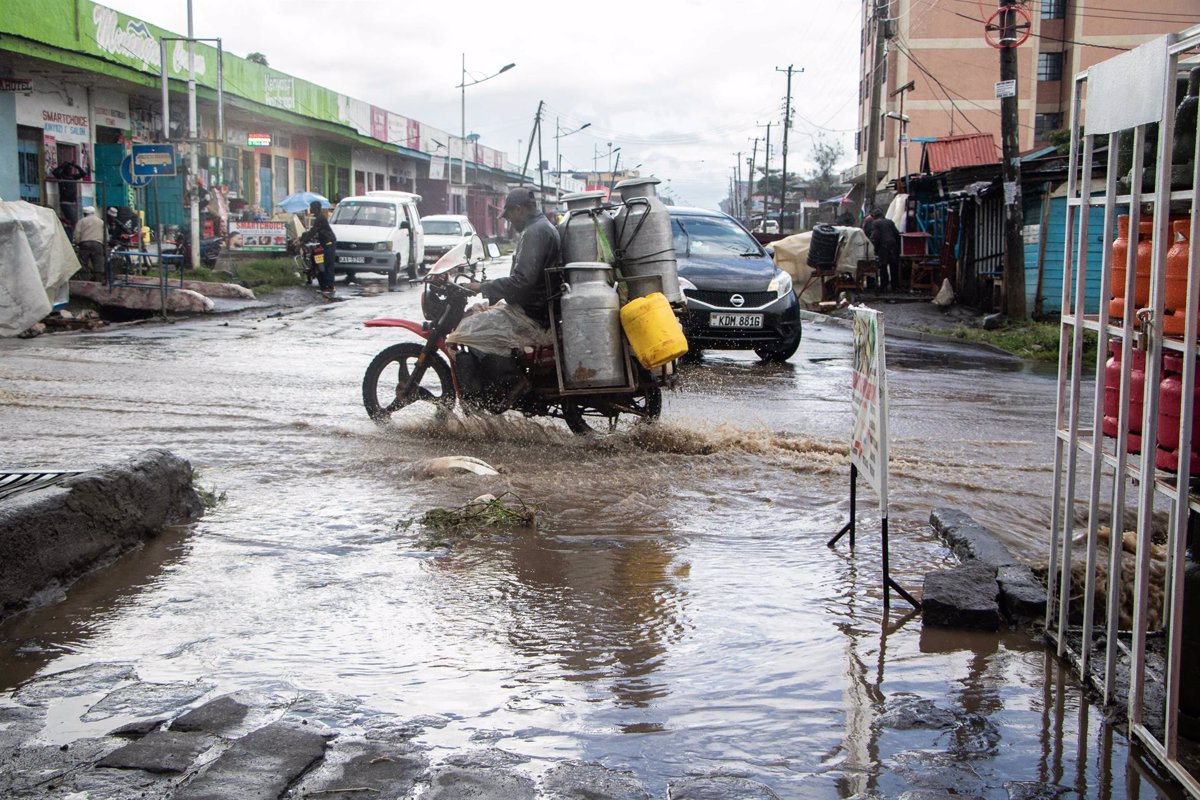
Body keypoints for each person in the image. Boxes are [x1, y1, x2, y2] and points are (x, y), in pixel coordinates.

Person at [449, 186, 561, 407]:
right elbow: (525, 279)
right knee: (479, 318)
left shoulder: (534, 232)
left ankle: (510, 384)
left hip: (530, 315)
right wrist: (489, 288)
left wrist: (482, 287)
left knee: (466, 331)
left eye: (509, 216)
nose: (509, 222)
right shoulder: (541, 227)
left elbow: (521, 282)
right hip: (536, 308)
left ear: (519, 210)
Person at [299, 199, 337, 294]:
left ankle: (330, 286)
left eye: (311, 207)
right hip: (325, 243)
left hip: (329, 243)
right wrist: (302, 237)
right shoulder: (319, 218)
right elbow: (312, 231)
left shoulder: (320, 218)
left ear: (316, 208)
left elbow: (313, 231)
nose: (310, 209)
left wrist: (302, 242)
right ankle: (324, 286)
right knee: (322, 264)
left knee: (328, 265)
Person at [867, 206, 901, 293]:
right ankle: (895, 287)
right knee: (894, 267)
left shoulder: (875, 223)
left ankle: (884, 287)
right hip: (893, 246)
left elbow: (875, 236)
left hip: (883, 247)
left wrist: (872, 247)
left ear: (874, 216)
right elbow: (897, 234)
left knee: (883, 266)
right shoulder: (890, 222)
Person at [73, 206, 106, 281]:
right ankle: (99, 280)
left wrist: (78, 242)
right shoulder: (101, 221)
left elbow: (77, 233)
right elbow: (105, 234)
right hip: (98, 244)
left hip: (85, 244)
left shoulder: (81, 221)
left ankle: (84, 279)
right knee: (98, 263)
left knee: (83, 263)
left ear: (85, 213)